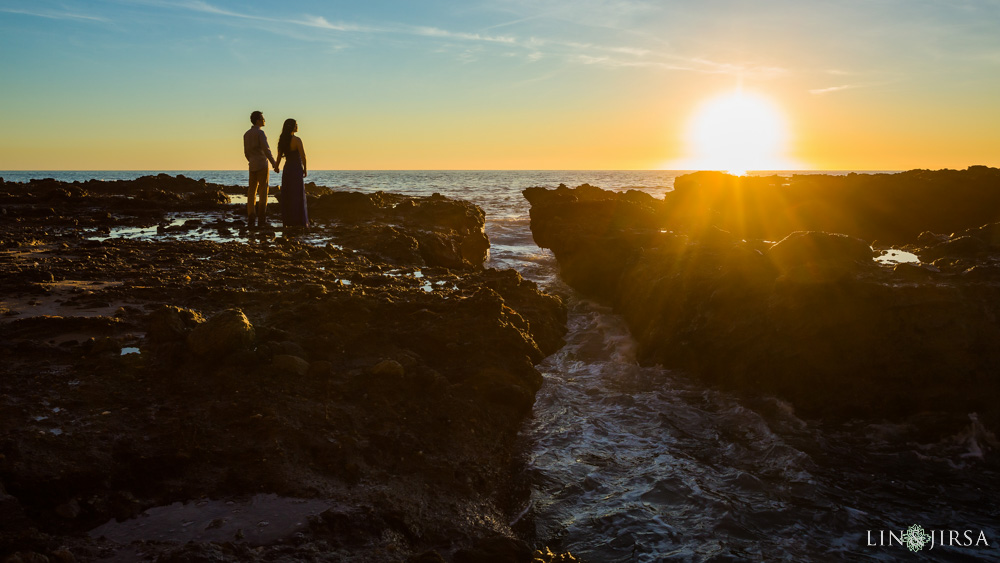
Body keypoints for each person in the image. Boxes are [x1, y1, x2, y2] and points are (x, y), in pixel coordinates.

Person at [243, 110, 278, 228]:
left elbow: (246, 152)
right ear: (258, 120)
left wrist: (251, 160)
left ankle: (251, 216)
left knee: (251, 191)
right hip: (262, 164)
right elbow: (266, 149)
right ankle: (262, 218)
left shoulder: (246, 134)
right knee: (263, 190)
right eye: (262, 118)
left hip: (252, 164)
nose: (264, 120)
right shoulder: (260, 133)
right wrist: (274, 163)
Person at [274, 118, 309, 229]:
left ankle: (288, 221)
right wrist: (305, 169)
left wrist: (276, 166)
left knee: (288, 194)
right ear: (293, 127)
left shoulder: (282, 140)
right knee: (297, 194)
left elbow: (279, 156)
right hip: (296, 169)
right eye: (296, 125)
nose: (297, 126)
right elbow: (303, 156)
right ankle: (298, 221)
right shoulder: (297, 140)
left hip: (287, 169)